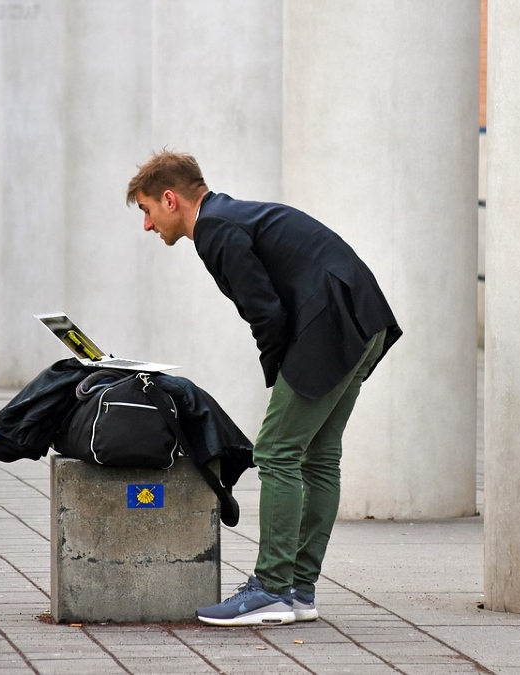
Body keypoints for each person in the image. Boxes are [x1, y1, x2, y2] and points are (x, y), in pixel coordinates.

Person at [127, 151, 401, 627]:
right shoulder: (232, 215)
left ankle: (272, 588)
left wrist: (278, 374)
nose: (148, 226)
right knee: (317, 457)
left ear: (170, 199)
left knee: (275, 452)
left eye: (148, 211)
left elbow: (265, 313)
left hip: (331, 322)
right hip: (363, 317)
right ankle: (298, 590)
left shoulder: (214, 229)